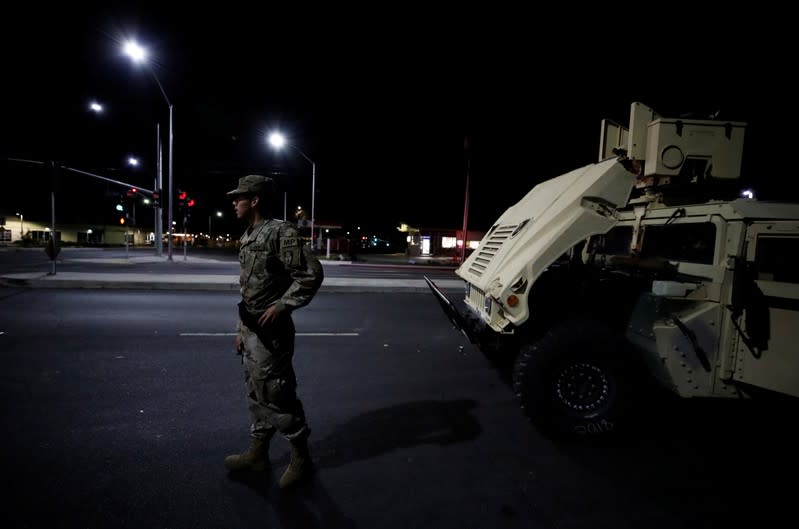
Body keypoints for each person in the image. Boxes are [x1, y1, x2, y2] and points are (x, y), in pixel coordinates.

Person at [224, 174, 324, 489]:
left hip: (272, 333)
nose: (234, 202)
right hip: (252, 329)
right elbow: (249, 293)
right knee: (256, 393)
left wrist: (283, 305)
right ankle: (258, 453)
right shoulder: (249, 234)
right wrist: (240, 328)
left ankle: (301, 458)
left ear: (254, 200)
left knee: (277, 394)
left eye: (239, 197)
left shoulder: (280, 232)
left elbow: (310, 273)